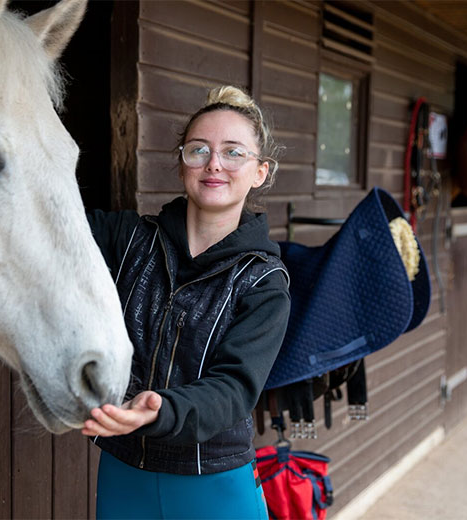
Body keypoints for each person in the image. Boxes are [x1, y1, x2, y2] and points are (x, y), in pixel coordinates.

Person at [82, 85, 291, 519]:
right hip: (125, 471)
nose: (214, 163)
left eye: (234, 152)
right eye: (199, 150)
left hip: (213, 481)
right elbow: (47, 219)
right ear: (181, 164)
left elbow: (234, 389)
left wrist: (160, 410)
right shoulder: (129, 240)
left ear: (260, 172)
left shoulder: (264, 280)